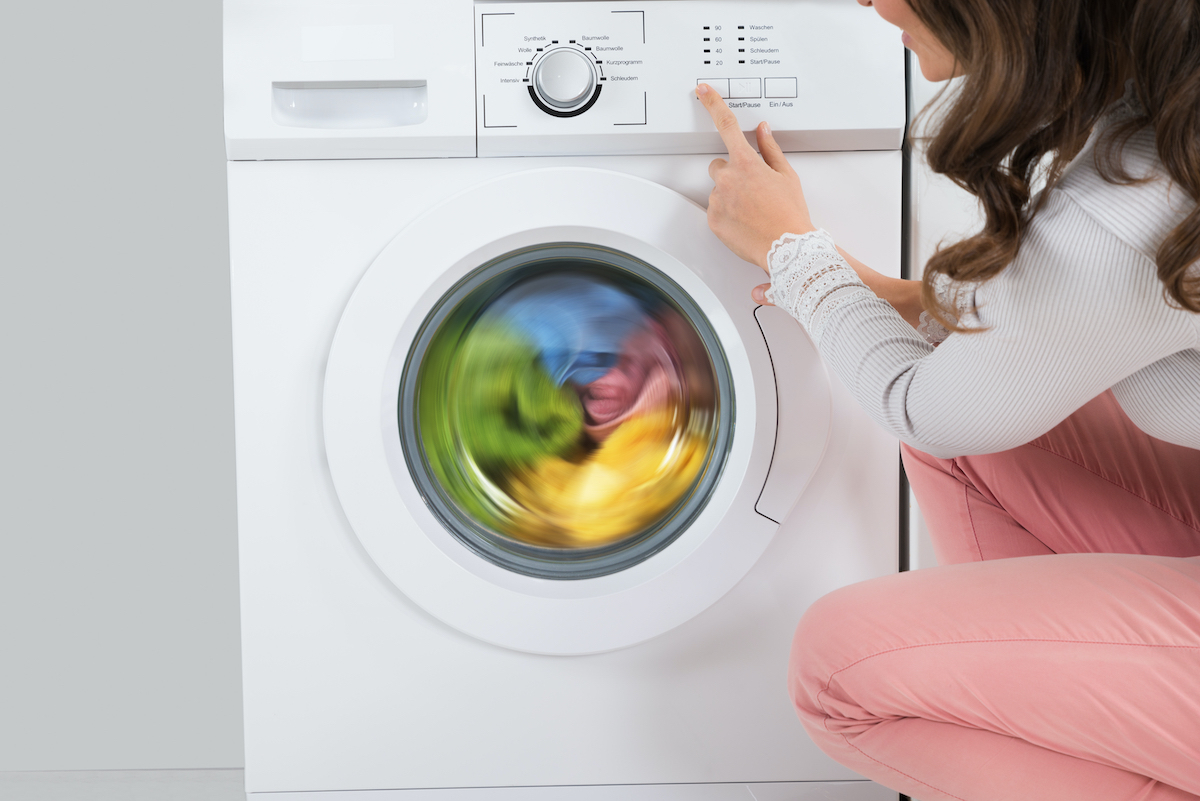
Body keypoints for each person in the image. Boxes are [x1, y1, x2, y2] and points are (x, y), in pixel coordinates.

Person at [695, 0, 1200, 798]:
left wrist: (796, 256)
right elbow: (1035, 334)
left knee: (840, 669)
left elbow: (923, 404)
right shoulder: (1170, 111)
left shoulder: (1128, 212)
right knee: (996, 431)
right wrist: (872, 291)